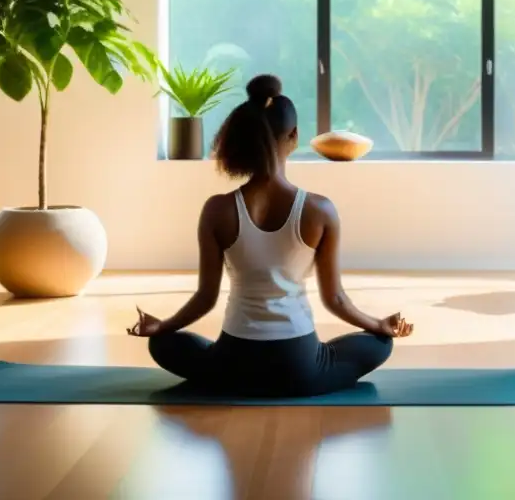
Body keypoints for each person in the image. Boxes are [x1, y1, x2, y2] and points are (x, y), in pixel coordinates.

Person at [127, 73, 413, 398]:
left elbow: (205, 298)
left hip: (233, 365)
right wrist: (380, 326)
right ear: (294, 135)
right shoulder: (321, 210)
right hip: (300, 367)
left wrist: (162, 327)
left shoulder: (217, 210)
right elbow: (335, 300)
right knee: (379, 344)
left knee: (163, 343)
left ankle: (229, 379)